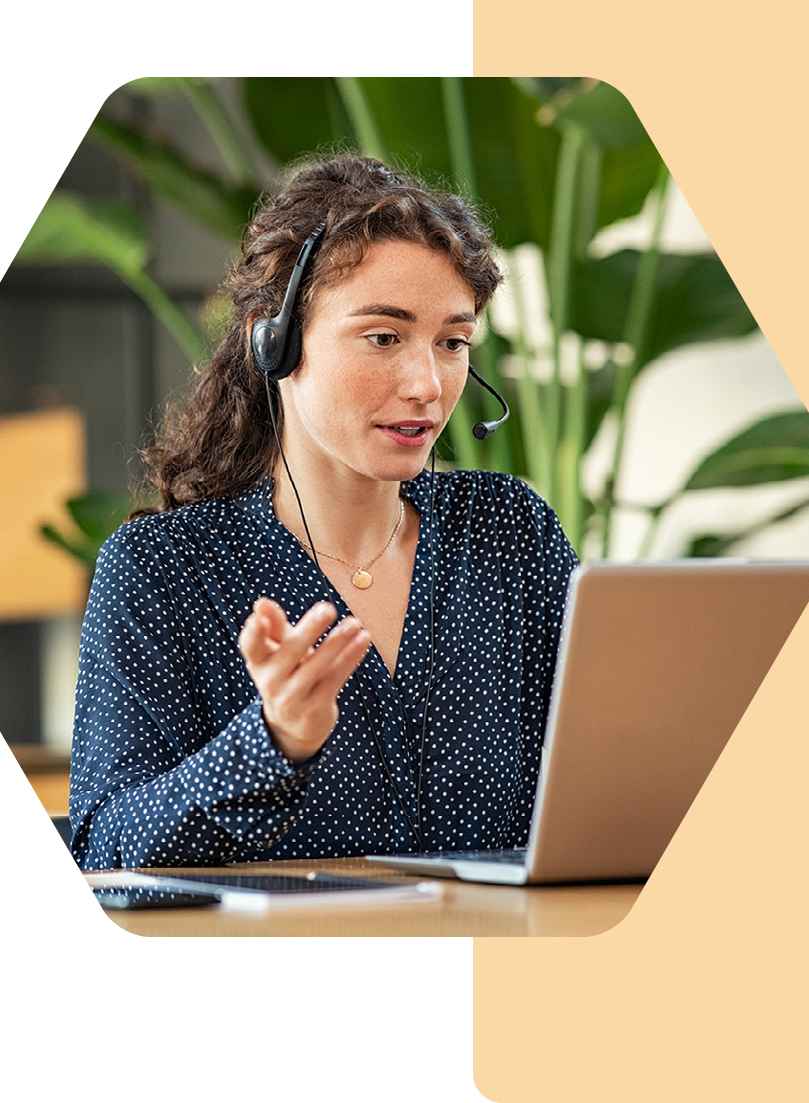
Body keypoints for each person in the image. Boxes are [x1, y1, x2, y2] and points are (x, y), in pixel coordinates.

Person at [68, 153, 577, 871]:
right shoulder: (164, 570)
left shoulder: (509, 533)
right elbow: (101, 847)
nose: (428, 384)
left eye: (453, 343)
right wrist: (273, 741)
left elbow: (611, 771)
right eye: (383, 337)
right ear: (272, 342)